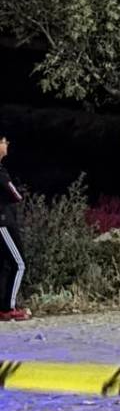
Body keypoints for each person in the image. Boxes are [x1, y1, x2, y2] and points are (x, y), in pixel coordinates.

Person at [0, 131, 30, 322]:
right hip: (3, 222)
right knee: (19, 263)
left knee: (3, 265)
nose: (7, 144)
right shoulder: (0, 172)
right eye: (3, 141)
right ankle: (8, 307)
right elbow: (15, 195)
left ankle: (2, 307)